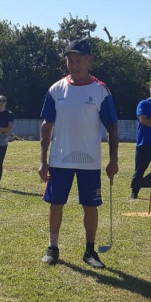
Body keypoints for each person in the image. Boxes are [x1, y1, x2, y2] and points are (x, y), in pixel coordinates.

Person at [38, 38, 119, 268]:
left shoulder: (100, 90)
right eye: (69, 59)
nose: (73, 64)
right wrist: (43, 161)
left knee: (90, 206)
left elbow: (112, 127)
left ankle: (90, 251)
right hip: (60, 159)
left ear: (89, 60)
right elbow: (46, 126)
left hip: (90, 160)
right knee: (56, 204)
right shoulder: (56, 89)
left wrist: (114, 160)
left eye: (78, 60)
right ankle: (52, 248)